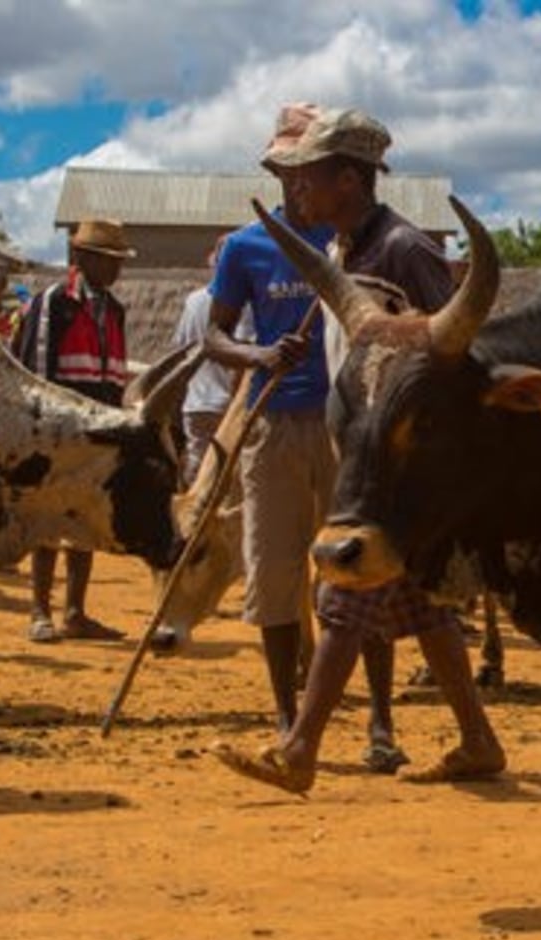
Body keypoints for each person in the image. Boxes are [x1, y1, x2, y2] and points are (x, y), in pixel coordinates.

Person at [213, 107, 505, 792]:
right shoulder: (347, 251)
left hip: (400, 471)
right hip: (374, 458)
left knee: (343, 592)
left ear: (348, 177)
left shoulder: (403, 250)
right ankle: (478, 739)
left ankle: (299, 749)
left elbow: (455, 360)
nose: (295, 191)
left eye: (306, 176)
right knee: (422, 605)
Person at [203, 102, 337, 735]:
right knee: (275, 573)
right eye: (286, 167)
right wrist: (260, 354)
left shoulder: (349, 241)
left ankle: (379, 721)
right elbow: (212, 336)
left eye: (307, 166)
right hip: (272, 422)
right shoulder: (245, 246)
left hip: (344, 426)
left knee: (353, 574)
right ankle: (288, 715)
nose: (296, 178)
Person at [13, 219, 133, 643]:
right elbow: (36, 372)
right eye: (109, 261)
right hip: (58, 432)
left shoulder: (114, 310)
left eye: (119, 262)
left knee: (85, 522)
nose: (116, 270)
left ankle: (76, 612)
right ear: (81, 259)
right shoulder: (53, 304)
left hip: (98, 432)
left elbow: (115, 375)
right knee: (48, 517)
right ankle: (39, 610)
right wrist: (44, 431)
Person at [172, 238, 253, 490]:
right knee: (227, 480)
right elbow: (244, 353)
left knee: (197, 475)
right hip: (227, 405)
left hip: (196, 405)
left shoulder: (193, 302)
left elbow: (180, 353)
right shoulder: (244, 305)